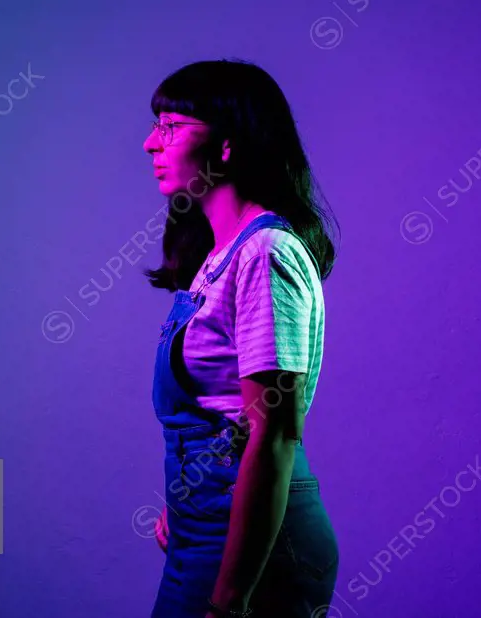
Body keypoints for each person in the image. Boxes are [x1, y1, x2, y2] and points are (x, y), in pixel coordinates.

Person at [142, 58, 340, 618]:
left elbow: (273, 435)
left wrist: (229, 601)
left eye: (172, 127)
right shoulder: (219, 257)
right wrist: (189, 497)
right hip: (208, 528)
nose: (150, 144)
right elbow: (221, 412)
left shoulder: (265, 253)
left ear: (227, 147)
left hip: (261, 551)